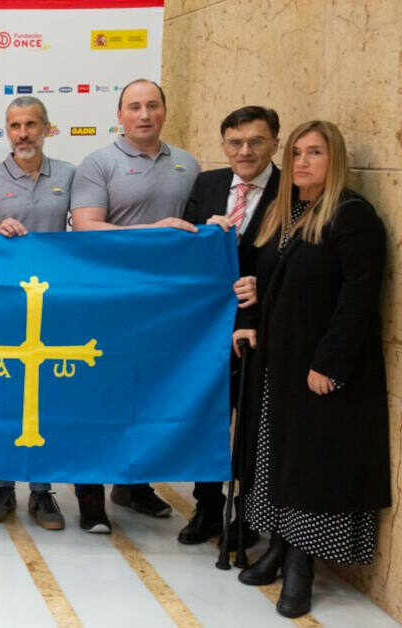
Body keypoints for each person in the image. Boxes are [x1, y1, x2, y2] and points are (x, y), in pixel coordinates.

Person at [232, 120, 389, 618]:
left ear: (334, 159)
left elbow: (358, 297)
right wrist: (252, 306)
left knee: (312, 465)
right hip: (278, 361)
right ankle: (278, 546)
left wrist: (330, 362)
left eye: (315, 152)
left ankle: (302, 565)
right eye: (297, 152)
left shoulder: (351, 216)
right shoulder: (285, 212)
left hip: (319, 365)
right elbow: (267, 277)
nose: (302, 162)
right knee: (277, 457)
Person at [69, 78, 200, 532]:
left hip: (164, 305)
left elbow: (195, 232)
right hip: (107, 299)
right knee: (97, 395)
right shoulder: (98, 163)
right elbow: (86, 226)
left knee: (147, 395)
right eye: (135, 107)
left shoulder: (188, 164)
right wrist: (152, 231)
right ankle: (89, 494)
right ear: (119, 115)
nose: (144, 115)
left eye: (152, 105)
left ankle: (132, 485)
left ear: (164, 110)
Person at [179, 105, 282, 549]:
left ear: (275, 143)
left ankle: (248, 512)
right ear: (224, 145)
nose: (245, 151)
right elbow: (182, 247)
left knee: (253, 421)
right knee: (208, 415)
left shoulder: (290, 191)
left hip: (260, 325)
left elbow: (297, 259)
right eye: (235, 143)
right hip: (205, 326)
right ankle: (207, 505)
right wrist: (204, 234)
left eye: (256, 142)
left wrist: (264, 285)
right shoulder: (208, 184)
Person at [0, 96, 74, 530]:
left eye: (31, 124)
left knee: (45, 399)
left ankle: (42, 492)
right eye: (15, 125)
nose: (22, 133)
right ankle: (1, 487)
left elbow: (86, 232)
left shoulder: (69, 175)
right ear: (6, 130)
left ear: (46, 128)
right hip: (3, 304)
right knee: (3, 398)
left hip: (53, 303)